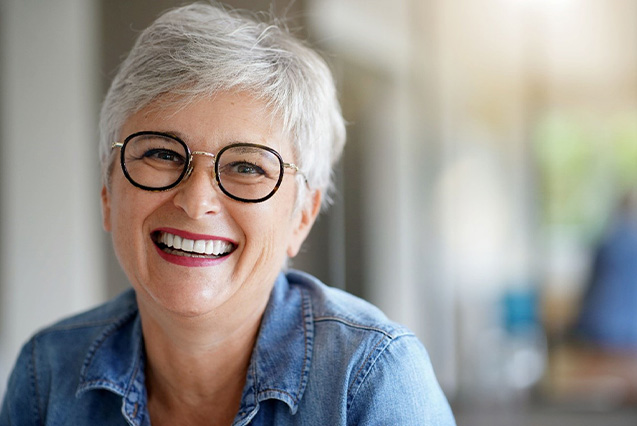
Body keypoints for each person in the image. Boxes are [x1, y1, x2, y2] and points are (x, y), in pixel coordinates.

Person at [0, 3, 454, 425]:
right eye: (161, 153)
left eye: (246, 166)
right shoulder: (48, 374)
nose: (196, 201)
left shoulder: (371, 379)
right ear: (107, 193)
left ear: (302, 216)